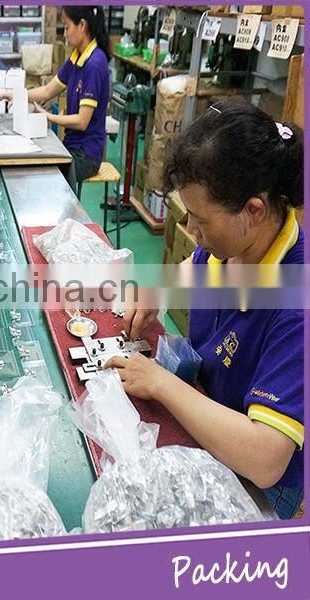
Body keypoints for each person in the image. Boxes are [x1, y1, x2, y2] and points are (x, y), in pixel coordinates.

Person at [106, 102, 304, 519]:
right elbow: (195, 268)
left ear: (253, 211)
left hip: (259, 483)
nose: (190, 231)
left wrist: (161, 383)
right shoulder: (233, 246)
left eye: (199, 220)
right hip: (208, 409)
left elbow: (266, 460)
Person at [0, 6, 110, 186]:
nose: (65, 33)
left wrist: (49, 116)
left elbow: (82, 121)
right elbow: (48, 90)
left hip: (86, 154)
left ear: (82, 25)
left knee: (46, 179)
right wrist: (18, 96)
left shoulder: (95, 64)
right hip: (72, 145)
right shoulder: (76, 57)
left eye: (67, 27)